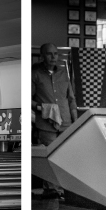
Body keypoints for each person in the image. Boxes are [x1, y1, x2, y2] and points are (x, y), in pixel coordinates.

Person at [32, 43, 77, 199]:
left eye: (55, 54)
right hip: (46, 124)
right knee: (50, 158)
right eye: (49, 54)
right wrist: (42, 108)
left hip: (66, 123)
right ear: (42, 56)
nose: (53, 57)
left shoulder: (63, 74)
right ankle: (51, 190)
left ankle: (64, 189)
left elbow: (71, 99)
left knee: (65, 157)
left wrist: (76, 121)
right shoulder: (35, 74)